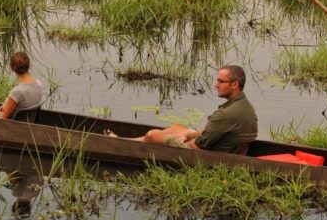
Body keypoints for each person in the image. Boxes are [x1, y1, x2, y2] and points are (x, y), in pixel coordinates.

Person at [106, 65, 257, 154]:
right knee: (177, 127)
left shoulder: (226, 114)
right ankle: (122, 141)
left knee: (153, 135)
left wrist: (179, 141)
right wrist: (189, 134)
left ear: (235, 85)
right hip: (221, 145)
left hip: (204, 153)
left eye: (220, 81)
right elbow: (213, 132)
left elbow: (196, 146)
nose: (216, 85)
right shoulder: (243, 105)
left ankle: (120, 144)